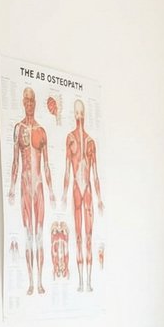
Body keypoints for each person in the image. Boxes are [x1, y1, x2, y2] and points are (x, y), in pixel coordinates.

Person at [8, 86, 55, 295]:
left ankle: (40, 281)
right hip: (25, 185)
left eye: (32, 100)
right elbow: (15, 161)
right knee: (28, 234)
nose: (29, 104)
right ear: (22, 102)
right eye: (26, 100)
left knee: (39, 233)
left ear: (35, 103)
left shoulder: (41, 131)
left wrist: (51, 191)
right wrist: (11, 188)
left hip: (39, 187)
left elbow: (46, 165)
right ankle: (30, 282)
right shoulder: (18, 129)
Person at [61, 99, 104, 292]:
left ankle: (89, 282)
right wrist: (63, 194)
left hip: (87, 192)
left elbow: (95, 174)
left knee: (88, 236)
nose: (78, 116)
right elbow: (67, 170)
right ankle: (80, 282)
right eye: (76, 113)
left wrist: (100, 198)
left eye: (81, 113)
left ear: (84, 115)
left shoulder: (90, 142)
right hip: (77, 191)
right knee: (78, 236)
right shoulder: (69, 139)